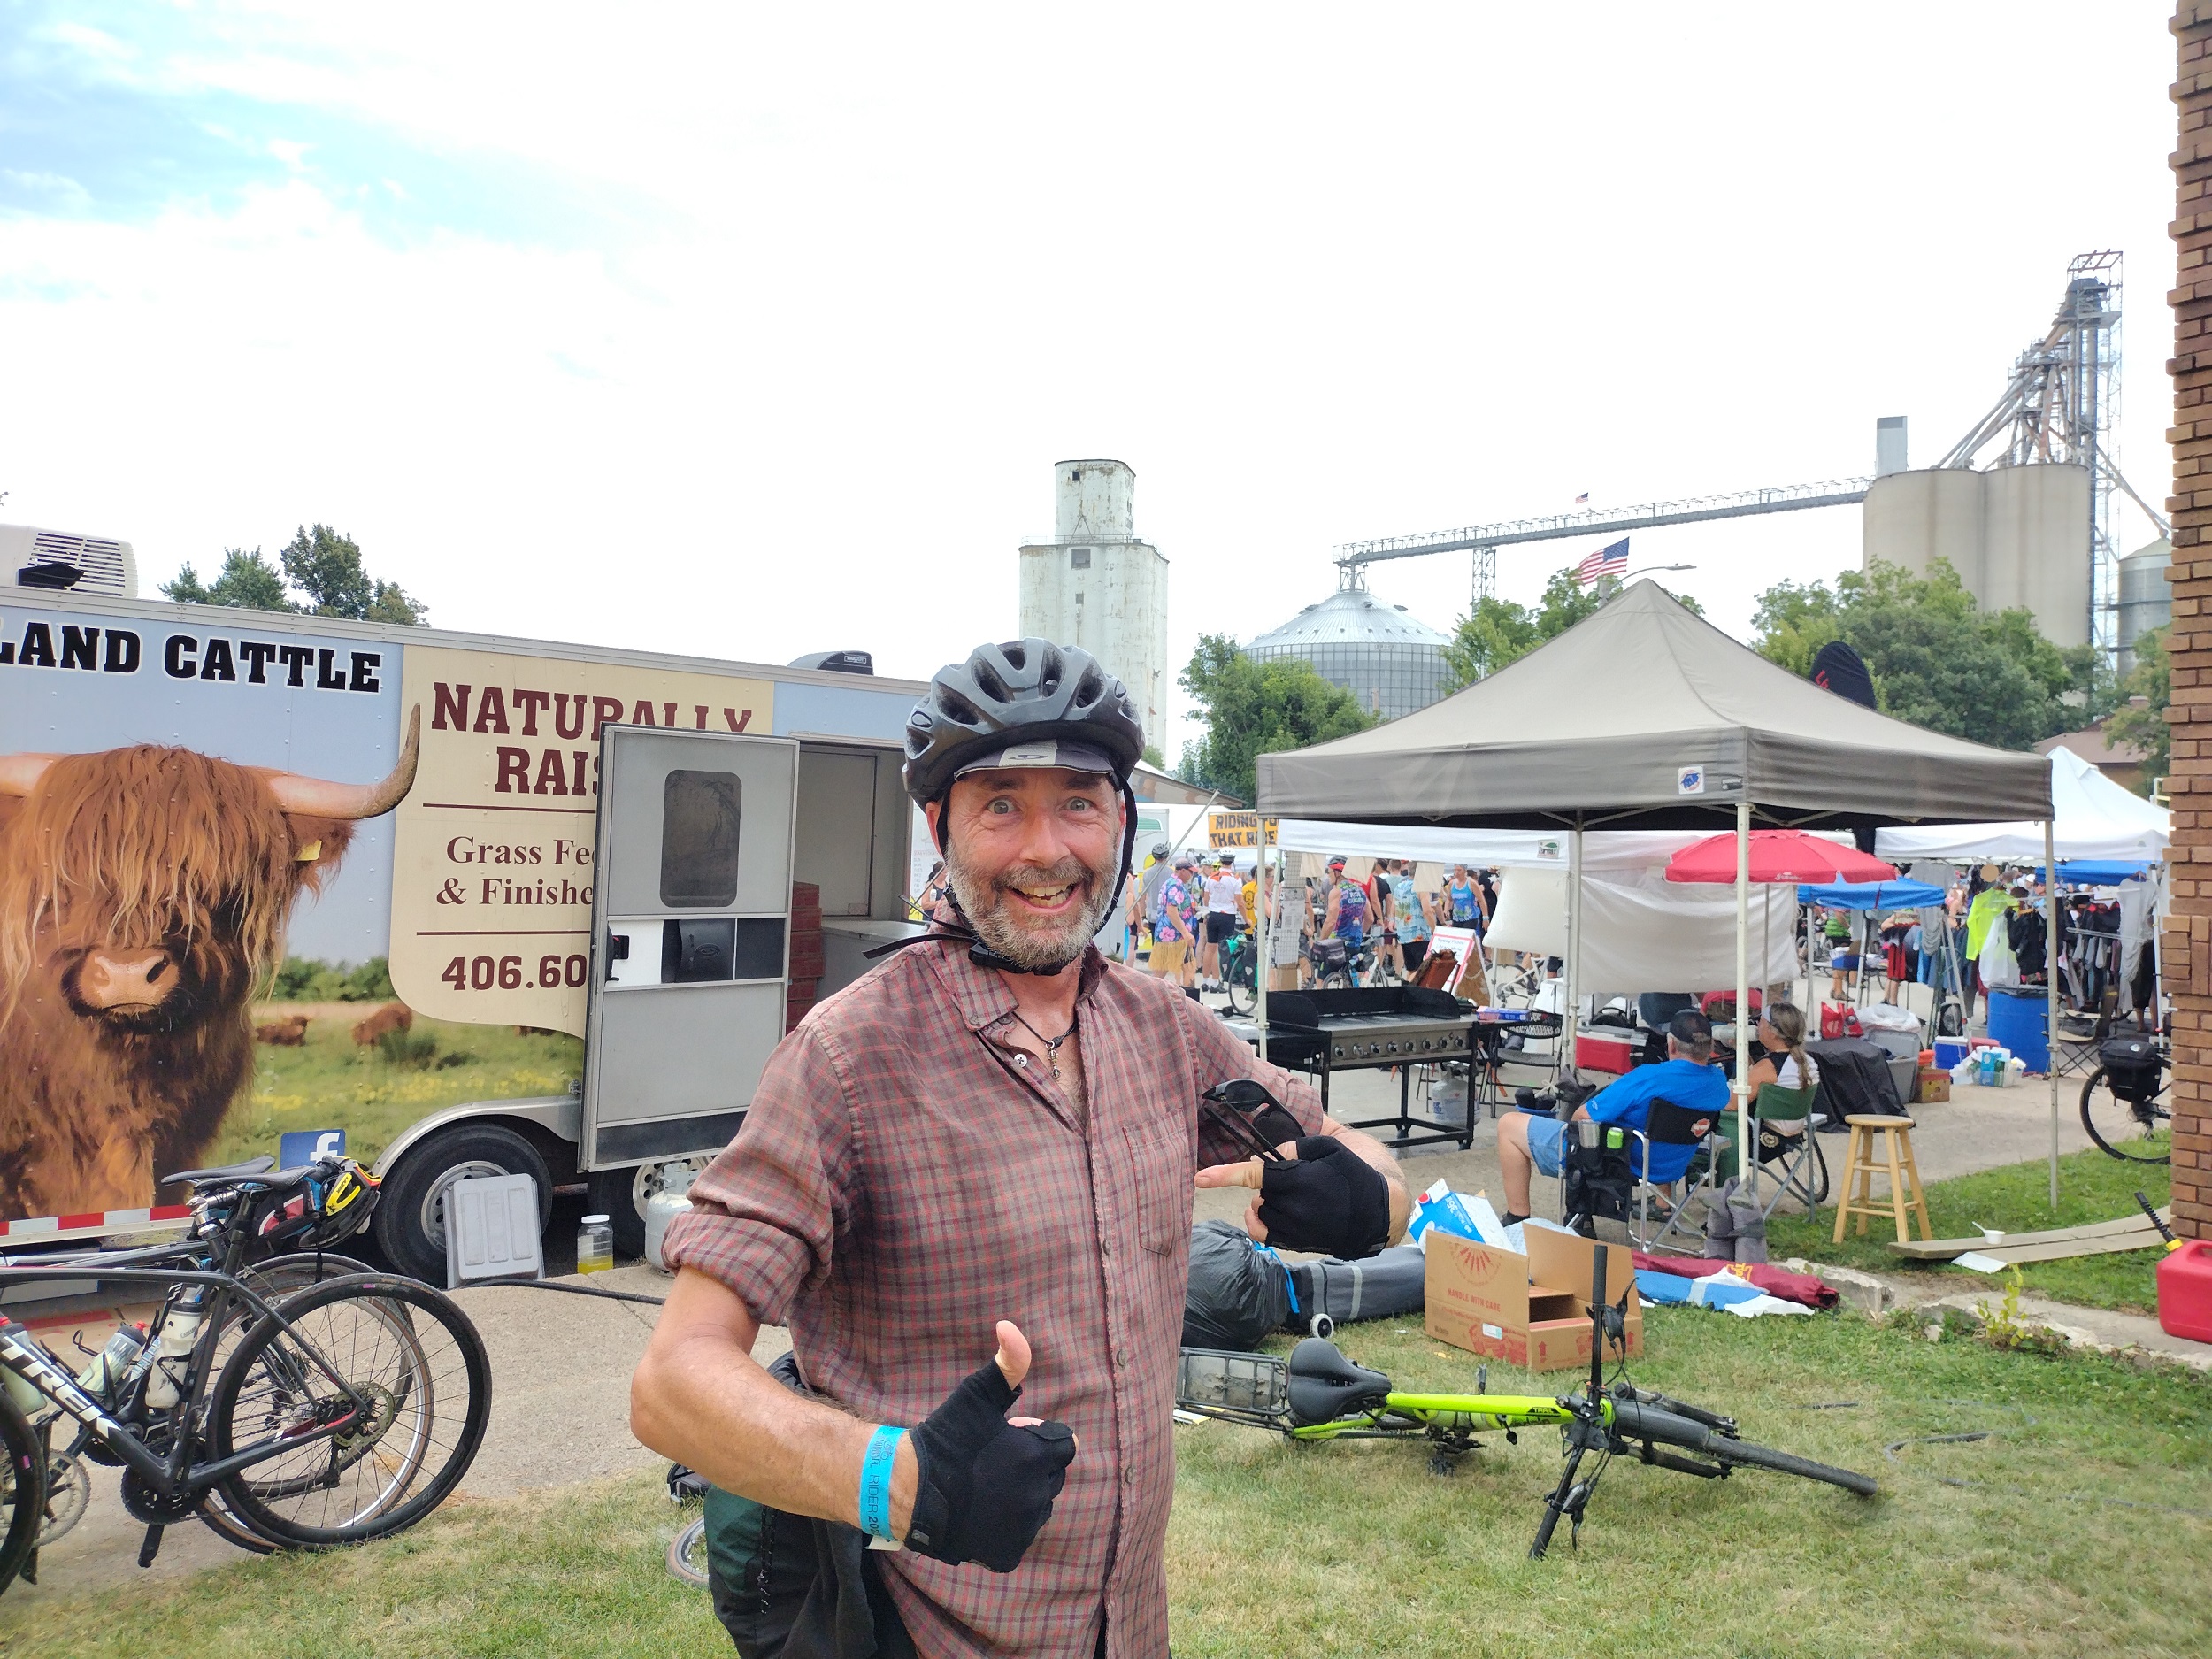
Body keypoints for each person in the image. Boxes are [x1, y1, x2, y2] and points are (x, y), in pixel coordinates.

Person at [631, 638, 1409, 1659]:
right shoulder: (846, 1060)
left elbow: (1359, 1160)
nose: (1046, 848)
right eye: (1001, 803)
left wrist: (1367, 1197)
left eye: (1078, 803)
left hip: (1129, 1629)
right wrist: (895, 1479)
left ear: (1119, 821)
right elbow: (672, 1383)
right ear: (937, 824)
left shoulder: (1161, 1027)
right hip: (928, 1630)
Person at [1493, 1008, 1728, 1225]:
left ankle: (1517, 1216)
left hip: (1617, 1164)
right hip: (1668, 1166)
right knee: (1645, 1128)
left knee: (1509, 1125)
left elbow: (1582, 1117)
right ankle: (1654, 1205)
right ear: (1709, 1047)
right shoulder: (1719, 1084)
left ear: (1672, 1045)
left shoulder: (1649, 1077)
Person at [1319, 855, 1369, 983]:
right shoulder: (1360, 890)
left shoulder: (1336, 892)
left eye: (1329, 872)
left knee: (1321, 977)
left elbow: (1331, 921)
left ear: (1337, 873)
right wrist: (1358, 932)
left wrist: (1321, 941)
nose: (1328, 875)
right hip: (1355, 942)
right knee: (1351, 978)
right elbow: (1370, 918)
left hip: (1336, 943)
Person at [1153, 856, 1201, 987]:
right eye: (1190, 872)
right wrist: (1186, 933)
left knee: (1160, 974)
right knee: (1189, 969)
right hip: (1176, 937)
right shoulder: (1176, 886)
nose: (1191, 875)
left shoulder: (1169, 883)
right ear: (1182, 871)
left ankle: (1148, 999)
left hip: (1167, 935)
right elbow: (1171, 911)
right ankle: (1189, 1002)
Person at [1200, 853, 1242, 991]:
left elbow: (1205, 900)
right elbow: (1239, 900)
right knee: (1219, 949)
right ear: (1232, 861)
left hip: (1213, 914)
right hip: (1228, 915)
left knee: (1209, 947)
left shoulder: (1211, 877)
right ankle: (1216, 982)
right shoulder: (1235, 879)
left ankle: (1205, 981)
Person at [1128, 839, 1172, 965]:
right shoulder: (1172, 872)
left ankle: (1157, 965)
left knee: (1155, 942)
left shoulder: (1146, 874)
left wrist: (1142, 916)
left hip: (1153, 914)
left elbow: (1142, 896)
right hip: (1168, 913)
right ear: (1166, 856)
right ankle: (1164, 965)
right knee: (1168, 942)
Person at [1390, 859, 1434, 976]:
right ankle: (1409, 990)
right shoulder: (1421, 888)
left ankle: (1406, 990)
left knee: (1411, 969)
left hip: (1404, 934)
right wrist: (1435, 929)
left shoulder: (1399, 887)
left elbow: (1393, 910)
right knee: (1421, 970)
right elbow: (1427, 912)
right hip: (1419, 934)